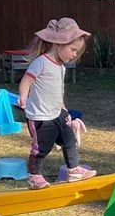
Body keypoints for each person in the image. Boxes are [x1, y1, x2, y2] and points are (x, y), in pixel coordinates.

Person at [18, 18, 96, 189]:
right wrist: (23, 96)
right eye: (73, 49)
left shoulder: (60, 67)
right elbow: (26, 80)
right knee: (41, 149)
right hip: (40, 116)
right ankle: (34, 176)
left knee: (69, 140)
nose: (74, 54)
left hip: (57, 113)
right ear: (59, 44)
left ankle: (74, 170)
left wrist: (65, 110)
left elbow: (57, 92)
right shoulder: (41, 62)